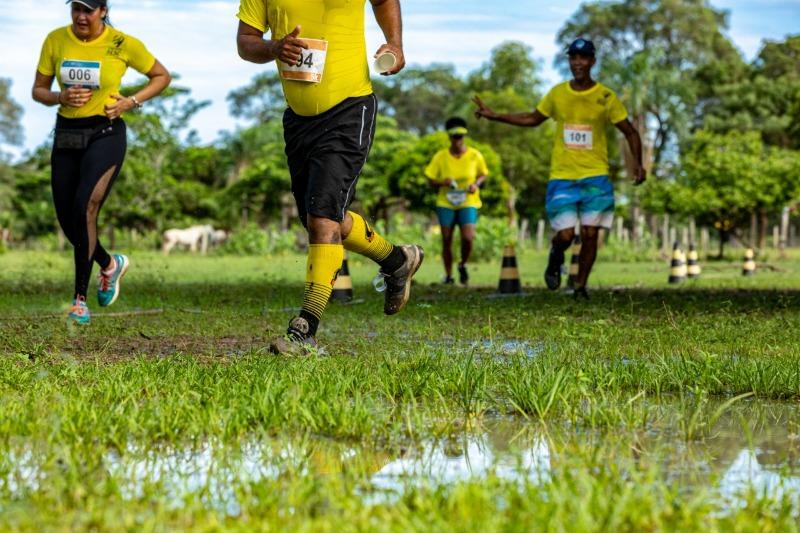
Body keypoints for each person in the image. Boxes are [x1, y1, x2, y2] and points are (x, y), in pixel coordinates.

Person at [236, 0, 424, 355]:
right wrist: (275, 47)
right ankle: (397, 260)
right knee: (321, 220)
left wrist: (395, 44)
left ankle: (304, 330)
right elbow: (246, 41)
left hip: (350, 108)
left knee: (323, 218)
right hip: (298, 119)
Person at [32, 0, 171, 324]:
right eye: (76, 9)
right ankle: (109, 264)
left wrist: (131, 101)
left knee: (86, 207)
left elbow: (161, 76)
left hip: (105, 132)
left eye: (88, 10)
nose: (81, 16)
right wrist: (59, 97)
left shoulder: (122, 43)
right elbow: (38, 90)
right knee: (69, 221)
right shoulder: (55, 40)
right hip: (67, 133)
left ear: (103, 11)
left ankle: (79, 300)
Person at [473, 38, 645, 299]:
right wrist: (495, 115)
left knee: (590, 234)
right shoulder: (557, 94)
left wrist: (638, 164)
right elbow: (533, 118)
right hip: (562, 177)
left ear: (592, 61)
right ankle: (556, 256)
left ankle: (580, 286)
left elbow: (630, 132)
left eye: (583, 57)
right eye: (573, 58)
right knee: (565, 235)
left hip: (596, 176)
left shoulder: (606, 97)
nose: (577, 62)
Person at [424, 117, 488, 285]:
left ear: (464, 136)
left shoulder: (475, 155)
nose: (458, 140)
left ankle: (462, 264)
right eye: (455, 136)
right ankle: (448, 275)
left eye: (461, 136)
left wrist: (476, 184)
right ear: (449, 137)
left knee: (468, 237)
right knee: (446, 239)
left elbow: (483, 173)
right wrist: (442, 182)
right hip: (446, 202)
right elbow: (429, 178)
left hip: (468, 201)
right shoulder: (441, 157)